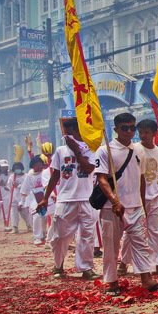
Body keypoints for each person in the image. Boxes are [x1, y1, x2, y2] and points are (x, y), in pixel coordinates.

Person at [94, 112, 158, 295]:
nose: (129, 131)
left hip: (136, 206)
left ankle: (146, 278)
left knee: (141, 243)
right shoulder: (105, 150)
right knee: (111, 246)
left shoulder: (138, 150)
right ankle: (111, 281)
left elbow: (141, 179)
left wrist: (143, 203)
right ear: (116, 129)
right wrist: (114, 201)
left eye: (132, 127)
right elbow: (101, 178)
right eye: (125, 128)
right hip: (112, 208)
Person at [39, 118, 98, 280]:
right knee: (60, 236)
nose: (69, 134)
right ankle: (58, 266)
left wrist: (77, 151)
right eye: (68, 131)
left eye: (72, 131)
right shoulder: (60, 151)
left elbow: (89, 168)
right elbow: (55, 175)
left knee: (87, 235)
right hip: (66, 199)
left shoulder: (92, 149)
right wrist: (45, 198)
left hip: (87, 198)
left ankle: (86, 267)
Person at [135, 120, 158, 274]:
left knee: (156, 230)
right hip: (137, 197)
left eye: (147, 132)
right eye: (141, 132)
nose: (143, 135)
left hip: (155, 197)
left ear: (154, 133)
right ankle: (124, 261)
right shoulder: (135, 149)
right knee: (136, 231)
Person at [20, 156, 49, 245]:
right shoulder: (30, 175)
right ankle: (37, 237)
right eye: (37, 165)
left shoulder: (46, 172)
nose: (39, 167)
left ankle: (45, 233)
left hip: (46, 196)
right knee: (37, 216)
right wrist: (22, 201)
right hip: (34, 198)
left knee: (45, 217)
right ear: (33, 166)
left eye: (40, 165)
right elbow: (25, 189)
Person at [7, 162, 28, 233]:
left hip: (24, 198)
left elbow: (27, 186)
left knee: (25, 213)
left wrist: (18, 185)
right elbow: (9, 187)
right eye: (15, 168)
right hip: (14, 197)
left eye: (18, 168)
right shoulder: (12, 177)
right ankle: (15, 227)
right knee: (13, 213)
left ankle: (29, 225)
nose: (17, 170)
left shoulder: (26, 176)